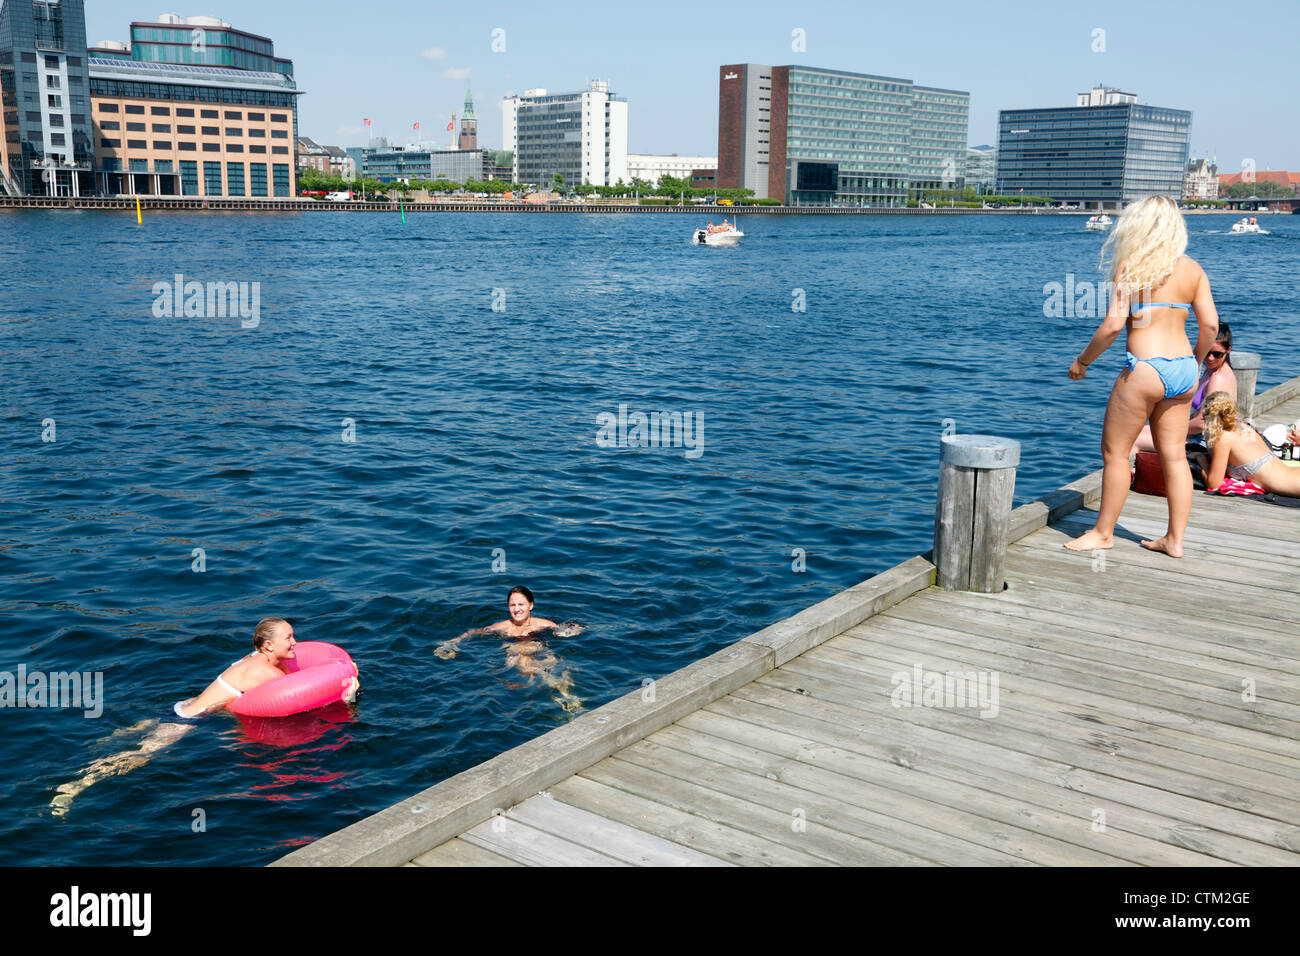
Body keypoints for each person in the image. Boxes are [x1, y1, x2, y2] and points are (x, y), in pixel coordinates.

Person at [50, 618, 358, 815]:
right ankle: (75, 788)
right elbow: (301, 697)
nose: (294, 642)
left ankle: (89, 759)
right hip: (187, 720)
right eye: (288, 637)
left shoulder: (254, 658)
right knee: (138, 756)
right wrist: (348, 696)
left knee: (123, 740)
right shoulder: (264, 672)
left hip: (180, 706)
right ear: (268, 645)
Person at [1065, 194, 1220, 558]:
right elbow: (1210, 324)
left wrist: (1083, 362)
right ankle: (1175, 540)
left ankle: (1103, 533)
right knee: (1175, 457)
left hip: (1146, 368)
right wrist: (1195, 366)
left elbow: (1112, 327)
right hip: (1183, 368)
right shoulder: (1193, 269)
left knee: (1116, 455)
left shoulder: (1132, 267)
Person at [435, 586, 583, 713]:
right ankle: (559, 700)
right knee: (535, 669)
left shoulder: (542, 624)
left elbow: (563, 629)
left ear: (531, 605)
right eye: (512, 605)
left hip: (541, 651)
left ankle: (571, 699)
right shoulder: (503, 627)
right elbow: (473, 632)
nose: (517, 609)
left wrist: (573, 629)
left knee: (561, 668)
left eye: (521, 604)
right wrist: (451, 643)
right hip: (517, 654)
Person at [1130, 321, 1235, 455]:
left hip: (1206, 444)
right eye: (1207, 352)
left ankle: (1128, 474)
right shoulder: (1211, 371)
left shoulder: (1219, 379)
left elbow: (1202, 424)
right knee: (1134, 431)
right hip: (1198, 436)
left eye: (1217, 354)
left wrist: (1169, 429)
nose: (1210, 358)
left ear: (1228, 350)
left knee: (1134, 439)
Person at [1196, 392, 1300, 496]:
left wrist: (1201, 459)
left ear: (1206, 415)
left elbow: (1214, 484)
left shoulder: (1223, 438)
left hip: (1293, 483)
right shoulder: (1245, 428)